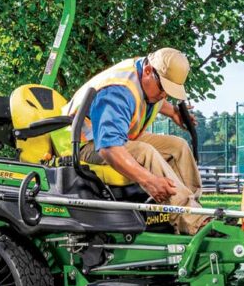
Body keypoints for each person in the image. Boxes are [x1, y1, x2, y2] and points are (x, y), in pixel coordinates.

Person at [65, 47, 208, 235]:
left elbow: (152, 96)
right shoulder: (117, 91)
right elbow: (108, 148)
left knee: (178, 146)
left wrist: (173, 112)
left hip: (118, 136)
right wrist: (149, 181)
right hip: (82, 145)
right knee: (144, 151)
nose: (164, 95)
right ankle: (195, 224)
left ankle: (197, 211)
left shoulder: (146, 72)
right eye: (164, 88)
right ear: (148, 71)